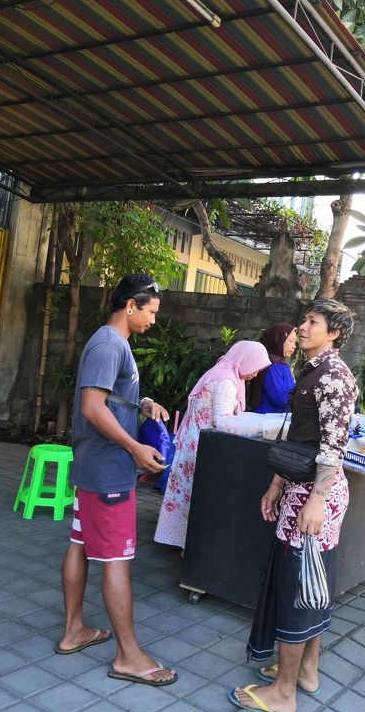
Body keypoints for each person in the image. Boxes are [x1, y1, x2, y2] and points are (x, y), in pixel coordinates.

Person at [228, 299, 357, 712]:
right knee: (311, 581)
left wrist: (315, 499)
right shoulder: (314, 369)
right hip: (300, 487)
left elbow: (332, 447)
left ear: (333, 331)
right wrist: (277, 482)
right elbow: (302, 436)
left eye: (312, 322)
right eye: (304, 320)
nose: (302, 327)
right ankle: (305, 671)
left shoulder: (335, 377)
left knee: (298, 585)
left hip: (315, 496)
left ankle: (283, 693)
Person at [56, 274, 177, 686]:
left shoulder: (112, 344)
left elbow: (105, 397)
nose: (153, 321)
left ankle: (74, 630)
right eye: (151, 312)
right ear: (130, 305)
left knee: (80, 543)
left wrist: (141, 403)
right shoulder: (110, 344)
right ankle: (127, 655)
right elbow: (92, 407)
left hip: (94, 467)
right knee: (116, 560)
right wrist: (134, 448)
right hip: (107, 470)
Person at [154, 340, 271, 550]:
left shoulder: (224, 373)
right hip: (202, 448)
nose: (255, 374)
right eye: (255, 368)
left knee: (185, 493)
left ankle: (180, 541)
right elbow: (222, 421)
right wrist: (256, 428)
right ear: (245, 359)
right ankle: (190, 546)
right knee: (196, 494)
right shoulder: (226, 382)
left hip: (193, 442)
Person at [249, 323, 297, 414]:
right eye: (291, 341)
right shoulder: (271, 365)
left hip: (276, 419)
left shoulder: (281, 364)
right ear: (278, 340)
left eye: (295, 342)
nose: (294, 346)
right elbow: (280, 397)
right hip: (267, 419)